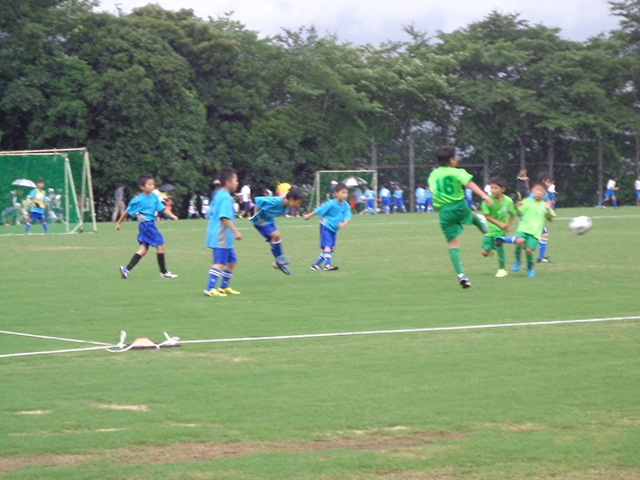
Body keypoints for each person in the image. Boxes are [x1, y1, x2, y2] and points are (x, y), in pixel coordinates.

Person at [427, 146, 492, 289]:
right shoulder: (457, 172)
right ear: (451, 160)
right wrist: (483, 195)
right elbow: (469, 184)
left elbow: (434, 193)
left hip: (444, 212)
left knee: (452, 243)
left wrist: (437, 206)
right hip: (459, 205)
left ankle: (461, 275)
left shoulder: (433, 175)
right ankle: (480, 223)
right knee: (470, 216)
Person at [116, 175, 178, 279]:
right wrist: (119, 223)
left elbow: (162, 208)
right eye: (149, 184)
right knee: (160, 245)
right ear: (142, 187)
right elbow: (127, 211)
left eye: (153, 184)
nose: (152, 186)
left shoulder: (153, 197)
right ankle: (163, 272)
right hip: (147, 225)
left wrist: (172, 215)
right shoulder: (138, 200)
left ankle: (126, 269)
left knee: (143, 250)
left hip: (149, 225)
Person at [204, 167, 243, 297]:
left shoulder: (218, 194)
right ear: (228, 182)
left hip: (223, 237)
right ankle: (209, 289)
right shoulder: (225, 197)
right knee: (219, 262)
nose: (237, 183)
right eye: (236, 180)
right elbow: (224, 217)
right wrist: (235, 232)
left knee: (232, 261)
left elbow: (210, 213)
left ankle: (223, 287)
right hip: (221, 235)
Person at [251, 187, 305, 275]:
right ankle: (280, 258)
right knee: (276, 235)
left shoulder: (286, 204)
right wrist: (255, 215)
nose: (298, 205)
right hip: (260, 220)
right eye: (298, 202)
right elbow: (258, 200)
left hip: (269, 221)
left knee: (273, 241)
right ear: (291, 199)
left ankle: (278, 263)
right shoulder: (275, 201)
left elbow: (286, 194)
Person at [303, 182, 351, 271]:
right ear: (336, 194)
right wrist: (308, 216)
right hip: (326, 227)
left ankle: (316, 264)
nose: (345, 195)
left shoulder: (346, 205)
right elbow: (319, 210)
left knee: (329, 248)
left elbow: (347, 216)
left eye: (346, 193)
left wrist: (344, 223)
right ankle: (327, 265)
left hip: (334, 229)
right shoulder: (331, 204)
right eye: (342, 192)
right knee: (328, 245)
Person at [512, 182, 554, 278]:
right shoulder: (526, 201)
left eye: (541, 191)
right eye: (536, 190)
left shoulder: (544, 205)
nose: (538, 192)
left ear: (545, 194)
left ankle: (530, 268)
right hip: (523, 229)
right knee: (519, 241)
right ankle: (517, 260)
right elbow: (518, 214)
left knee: (528, 250)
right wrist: (517, 207)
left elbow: (550, 219)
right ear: (532, 191)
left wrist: (547, 209)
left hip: (535, 232)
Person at [480, 176, 517, 278]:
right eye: (491, 187)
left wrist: (507, 226)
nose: (493, 190)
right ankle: (492, 247)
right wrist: (499, 223)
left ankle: (502, 269)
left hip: (500, 231)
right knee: (484, 253)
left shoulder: (508, 201)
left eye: (495, 188)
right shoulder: (487, 201)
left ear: (503, 189)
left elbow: (512, 214)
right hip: (488, 230)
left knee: (499, 244)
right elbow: (486, 216)